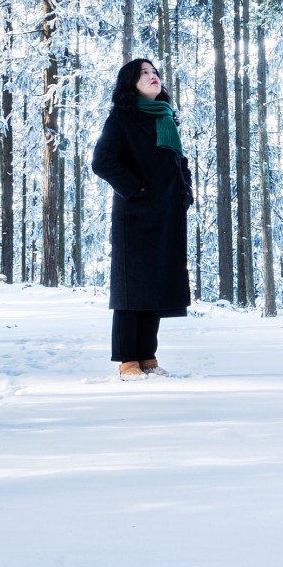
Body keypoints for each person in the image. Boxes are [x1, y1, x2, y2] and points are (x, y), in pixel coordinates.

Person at [91, 57, 192, 378]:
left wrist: (185, 192)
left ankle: (147, 356)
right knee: (132, 287)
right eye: (144, 73)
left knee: (156, 284)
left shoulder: (165, 118)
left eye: (154, 72)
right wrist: (138, 189)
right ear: (130, 83)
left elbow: (179, 162)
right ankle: (127, 361)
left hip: (166, 216)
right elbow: (103, 162)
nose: (153, 77)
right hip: (135, 216)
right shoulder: (121, 119)